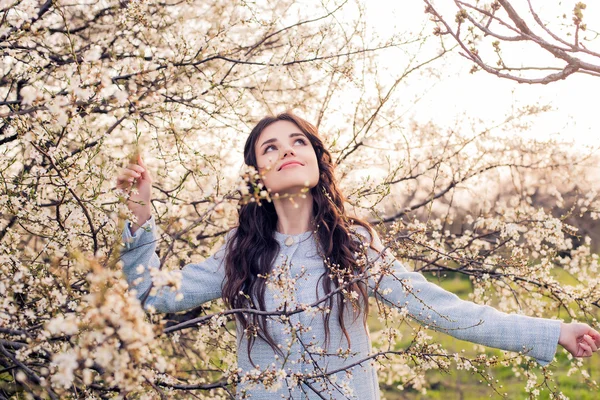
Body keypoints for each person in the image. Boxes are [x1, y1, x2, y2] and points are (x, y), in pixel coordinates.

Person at [117, 112, 600, 399]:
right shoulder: (238, 253)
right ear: (255, 176)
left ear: (317, 160)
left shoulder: (353, 246)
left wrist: (551, 331)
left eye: (298, 141)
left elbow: (441, 309)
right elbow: (146, 295)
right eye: (270, 147)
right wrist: (139, 212)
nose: (286, 151)